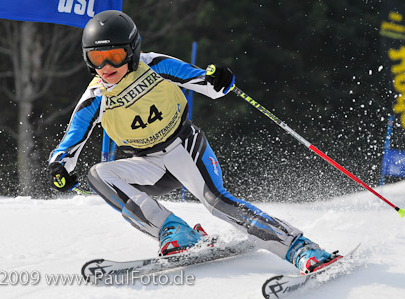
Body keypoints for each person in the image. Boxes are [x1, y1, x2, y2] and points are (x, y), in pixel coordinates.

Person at [47, 10, 341, 274]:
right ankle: (174, 230)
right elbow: (71, 140)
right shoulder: (95, 97)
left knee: (217, 202)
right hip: (147, 164)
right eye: (98, 58)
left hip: (183, 147)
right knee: (99, 174)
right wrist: (59, 166)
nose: (107, 66)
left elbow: (206, 83)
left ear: (133, 51)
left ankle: (300, 248)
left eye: (115, 55)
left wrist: (219, 78)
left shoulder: (155, 65)